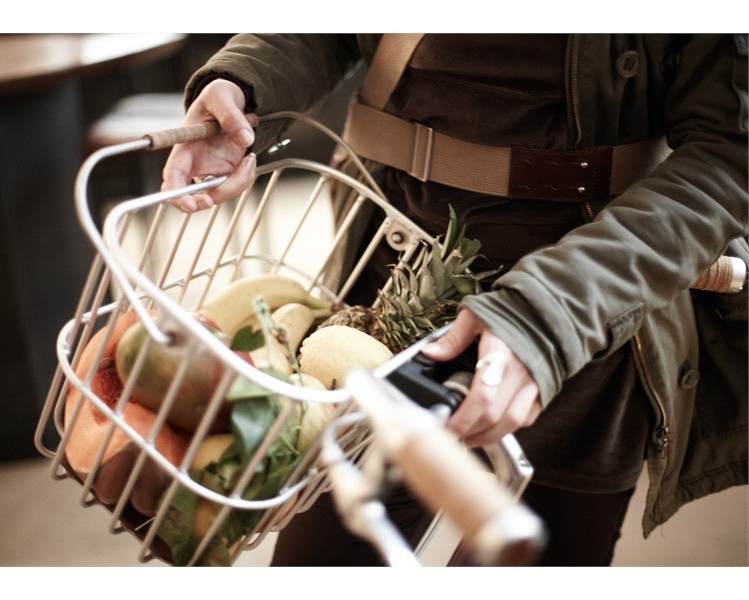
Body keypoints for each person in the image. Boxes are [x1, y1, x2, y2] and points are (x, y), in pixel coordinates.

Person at [161, 34, 748, 566]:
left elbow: (728, 155)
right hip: (387, 279)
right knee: (322, 560)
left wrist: (550, 316)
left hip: (585, 310)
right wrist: (247, 82)